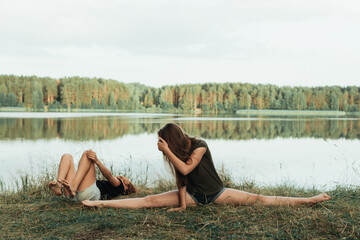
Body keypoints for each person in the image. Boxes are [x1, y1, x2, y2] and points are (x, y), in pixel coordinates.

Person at [82, 123, 331, 210]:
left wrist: (167, 151)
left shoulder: (200, 145)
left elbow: (188, 169)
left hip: (217, 194)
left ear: (172, 140)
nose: (163, 148)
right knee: (149, 201)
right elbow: (182, 178)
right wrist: (181, 206)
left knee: (260, 199)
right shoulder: (176, 152)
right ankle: (99, 203)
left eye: (165, 143)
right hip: (192, 197)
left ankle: (308, 200)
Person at [48, 150, 136, 202]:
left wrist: (97, 161)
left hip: (89, 194)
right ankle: (59, 185)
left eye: (123, 179)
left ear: (126, 187)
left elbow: (108, 175)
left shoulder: (120, 187)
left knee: (87, 154)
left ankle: (73, 188)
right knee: (67, 156)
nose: (119, 177)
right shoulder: (112, 188)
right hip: (75, 195)